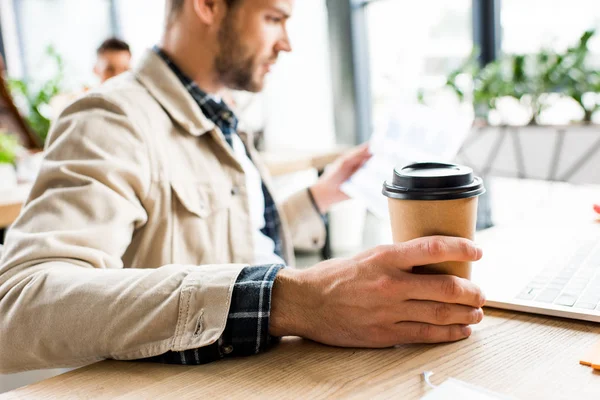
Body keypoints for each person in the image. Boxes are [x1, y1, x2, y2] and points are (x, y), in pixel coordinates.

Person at [0, 0, 485, 373]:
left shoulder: (217, 110)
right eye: (274, 17)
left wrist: (319, 197)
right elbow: (21, 305)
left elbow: (230, 233)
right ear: (208, 5)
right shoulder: (111, 118)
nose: (287, 42)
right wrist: (292, 299)